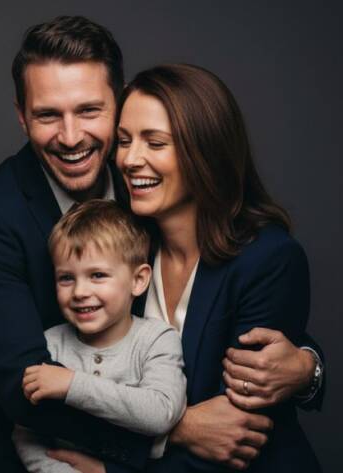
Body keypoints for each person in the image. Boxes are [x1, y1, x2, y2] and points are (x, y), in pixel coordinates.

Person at [0, 16, 324, 472]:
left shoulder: (146, 195)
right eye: (48, 114)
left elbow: (258, 336)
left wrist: (308, 368)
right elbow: (25, 391)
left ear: (119, 102)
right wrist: (174, 427)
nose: (70, 137)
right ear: (22, 116)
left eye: (89, 111)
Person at [116, 64, 321, 472]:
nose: (130, 159)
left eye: (155, 143)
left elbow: (234, 436)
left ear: (204, 150)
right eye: (123, 141)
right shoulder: (120, 246)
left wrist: (106, 468)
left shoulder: (268, 259)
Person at [12, 200, 187, 472]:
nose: (80, 291)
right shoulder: (49, 345)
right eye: (66, 278)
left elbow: (160, 412)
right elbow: (26, 433)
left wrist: (72, 384)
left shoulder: (157, 340)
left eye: (97, 275)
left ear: (138, 280)